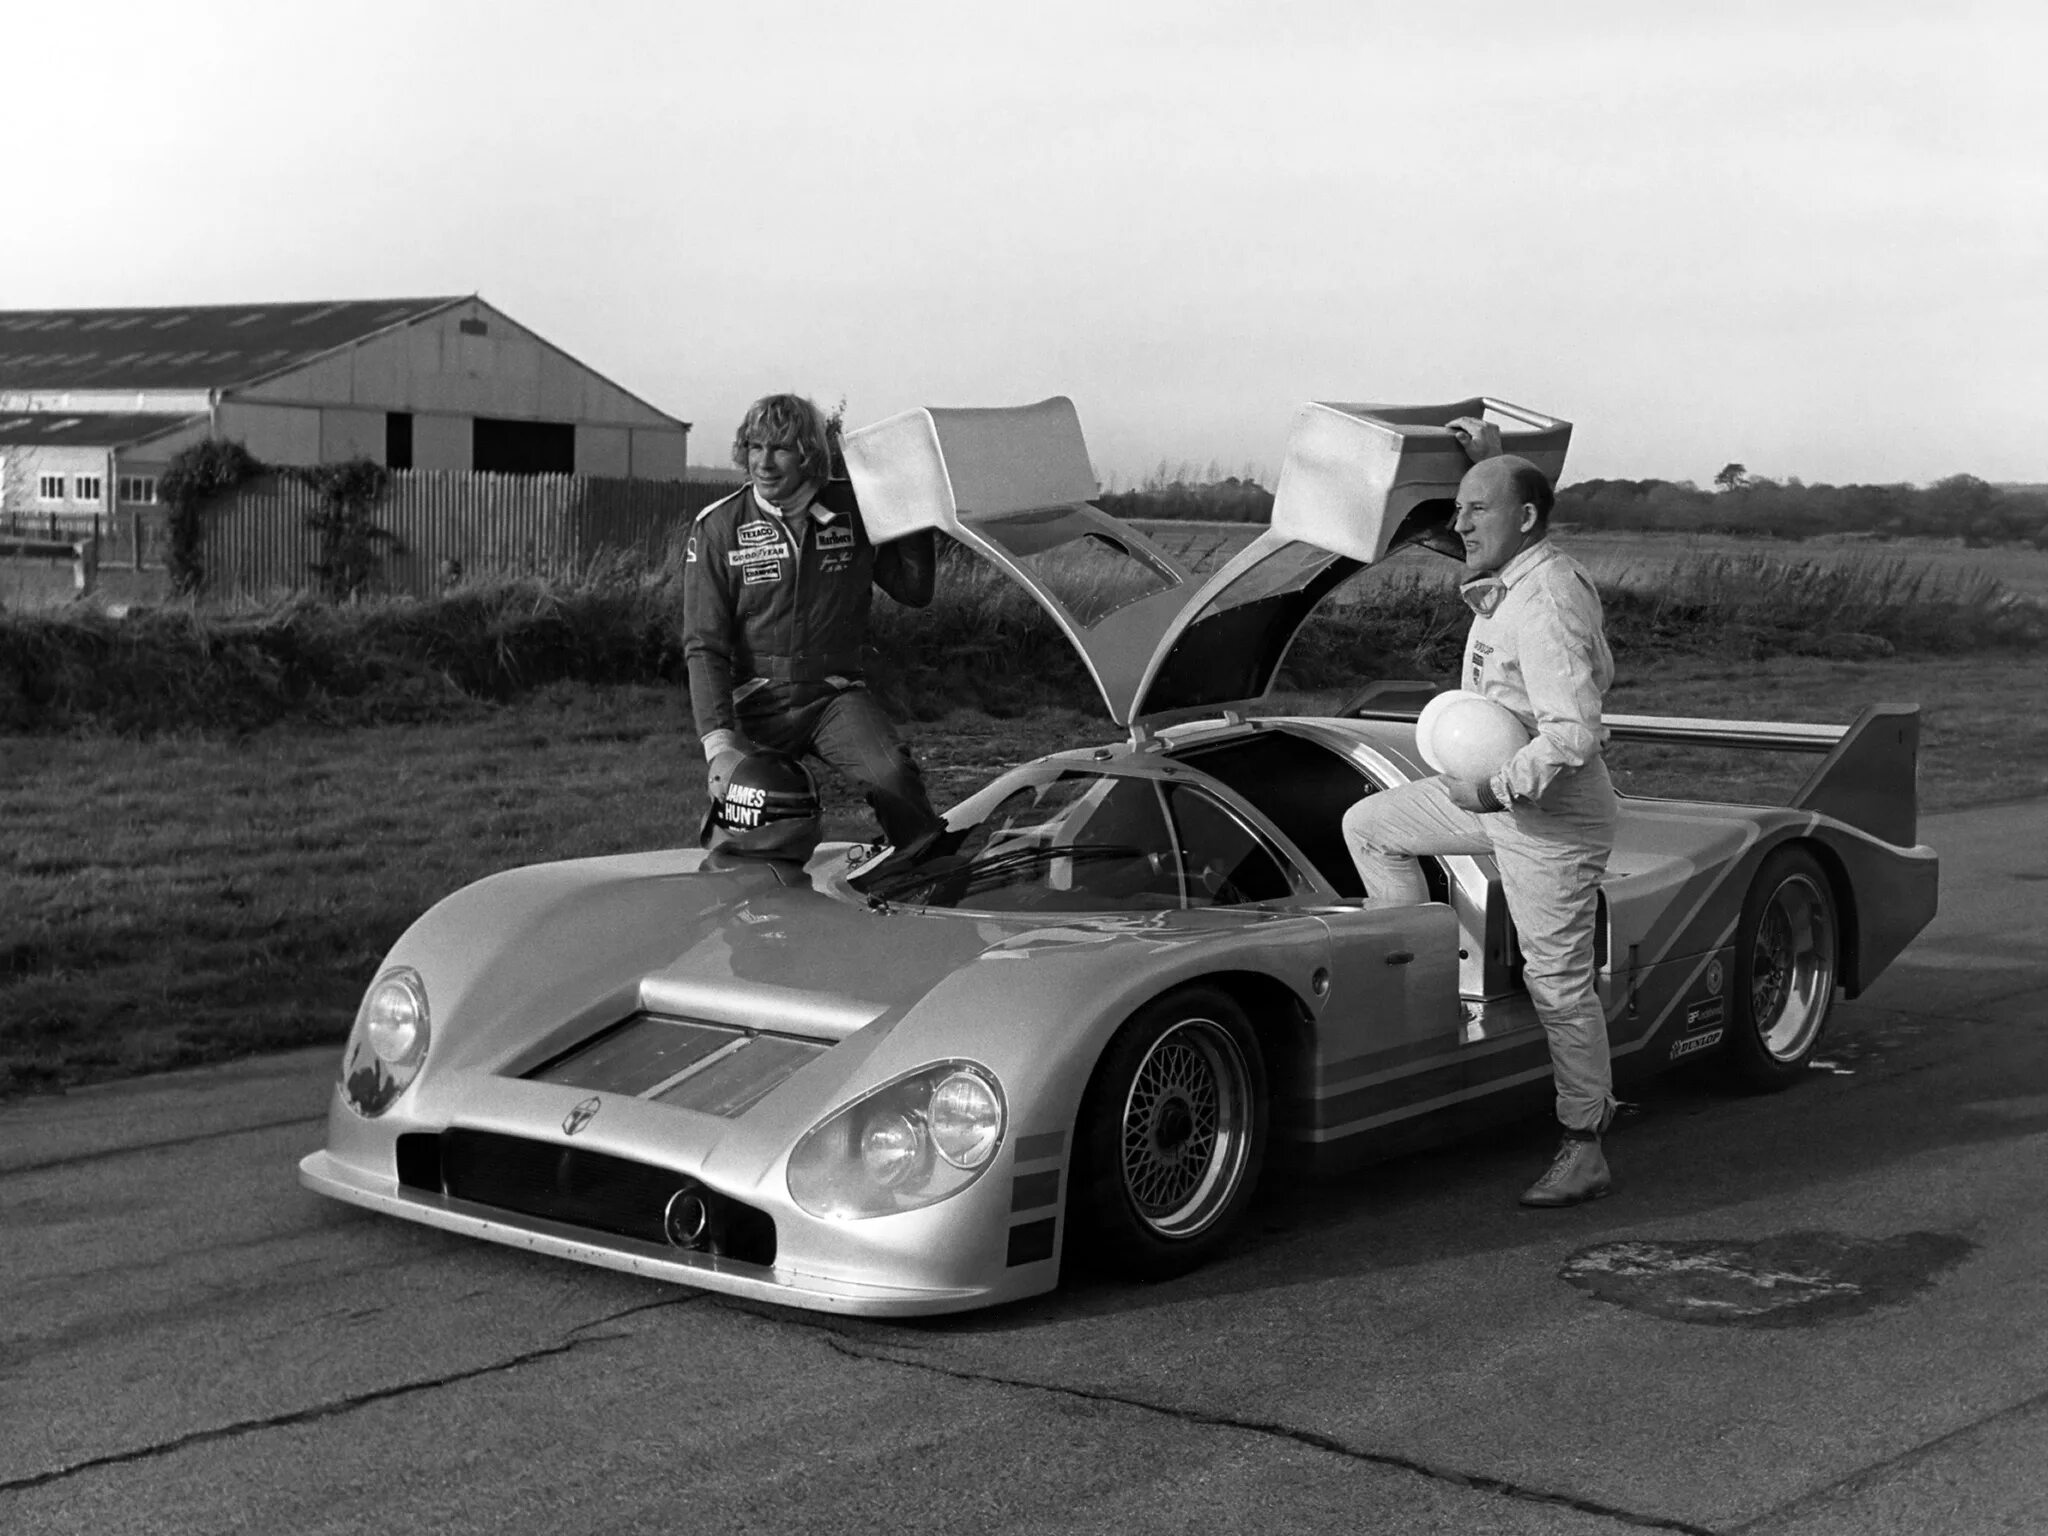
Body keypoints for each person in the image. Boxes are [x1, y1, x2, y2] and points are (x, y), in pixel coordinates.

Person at [1341, 425, 1619, 1207]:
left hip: (1550, 816)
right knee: (1372, 827)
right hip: (1492, 794)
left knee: (1556, 982)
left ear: (1526, 520)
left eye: (1475, 510)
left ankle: (1585, 1142)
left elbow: (1574, 732)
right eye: (1456, 509)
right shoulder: (1509, 570)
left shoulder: (1547, 599)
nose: (1458, 524)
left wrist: (1492, 792)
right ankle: (1413, 1012)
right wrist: (1483, 458)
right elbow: (1496, 506)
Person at [683, 393, 945, 857]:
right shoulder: (719, 527)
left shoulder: (855, 507)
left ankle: (924, 880)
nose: (763, 462)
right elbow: (704, 646)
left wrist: (916, 518)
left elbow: (913, 590)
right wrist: (720, 745)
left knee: (894, 778)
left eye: (780, 448)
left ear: (807, 454)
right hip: (755, 703)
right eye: (754, 446)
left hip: (832, 695)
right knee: (752, 819)